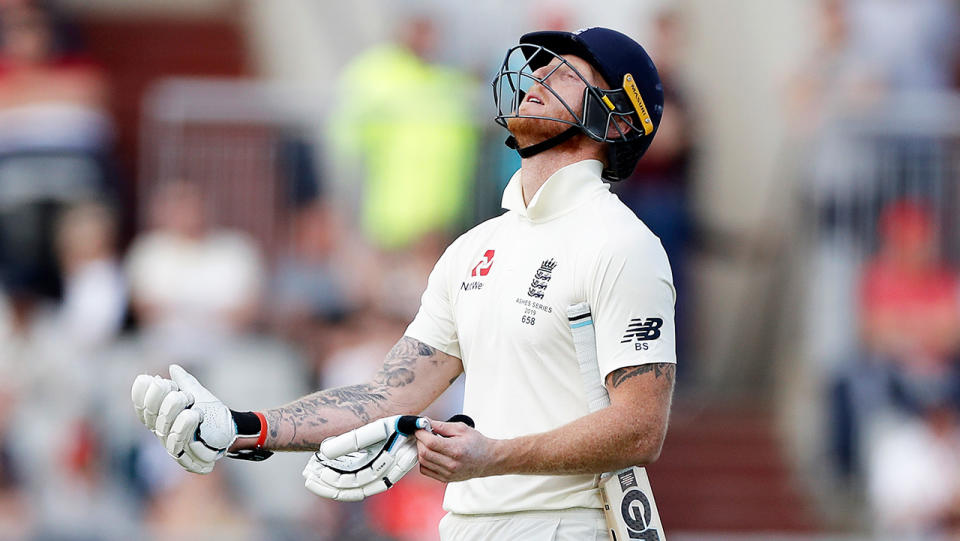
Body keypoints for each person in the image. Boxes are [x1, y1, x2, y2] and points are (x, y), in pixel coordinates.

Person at [132, 27, 675, 540]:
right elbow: (385, 394)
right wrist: (242, 426)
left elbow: (640, 429)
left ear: (620, 120)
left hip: (566, 526)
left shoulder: (622, 246)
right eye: (541, 70)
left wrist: (494, 456)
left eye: (564, 74)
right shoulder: (474, 250)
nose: (537, 80)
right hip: (465, 525)